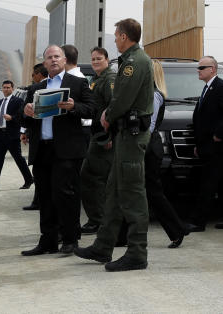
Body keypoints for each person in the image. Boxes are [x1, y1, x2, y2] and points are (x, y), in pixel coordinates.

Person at [74, 18, 153, 272]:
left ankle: (137, 253)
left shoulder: (135, 62)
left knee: (133, 196)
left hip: (131, 137)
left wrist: (108, 115)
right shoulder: (129, 60)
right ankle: (102, 246)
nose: (115, 38)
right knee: (114, 194)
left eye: (117, 34)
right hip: (124, 137)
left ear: (124, 36)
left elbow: (123, 99)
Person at [20, 45, 94, 257]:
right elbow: (23, 119)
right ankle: (48, 241)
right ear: (44, 63)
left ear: (64, 60)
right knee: (45, 196)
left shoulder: (78, 83)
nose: (53, 60)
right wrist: (26, 112)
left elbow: (91, 109)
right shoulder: (35, 88)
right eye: (49, 57)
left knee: (66, 195)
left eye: (57, 57)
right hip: (42, 148)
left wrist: (73, 107)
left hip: (67, 150)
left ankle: (70, 240)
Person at [187, 55, 223, 231]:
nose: (198, 71)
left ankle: (198, 222)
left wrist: (219, 134)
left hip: (218, 146)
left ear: (212, 69)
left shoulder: (221, 87)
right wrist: (199, 143)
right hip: (208, 145)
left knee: (208, 183)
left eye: (201, 68)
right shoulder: (208, 88)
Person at [143, 60, 191, 248]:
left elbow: (149, 126)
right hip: (150, 146)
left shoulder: (154, 95)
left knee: (153, 193)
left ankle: (176, 229)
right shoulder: (152, 93)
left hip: (149, 147)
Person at [79, 46, 116, 235]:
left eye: (99, 59)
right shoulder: (97, 79)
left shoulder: (109, 79)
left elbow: (113, 108)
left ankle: (98, 220)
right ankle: (98, 219)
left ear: (107, 60)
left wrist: (109, 136)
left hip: (104, 137)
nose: (95, 62)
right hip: (96, 134)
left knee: (92, 178)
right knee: (92, 178)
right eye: (93, 59)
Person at [0, 80, 34, 192]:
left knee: (19, 159)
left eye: (8, 87)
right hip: (0, 135)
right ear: (2, 89)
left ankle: (29, 179)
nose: (6, 89)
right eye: (4, 87)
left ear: (12, 89)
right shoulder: (0, 102)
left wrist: (12, 118)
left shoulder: (18, 101)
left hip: (12, 135)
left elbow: (21, 116)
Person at [21, 63, 49, 211]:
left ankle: (38, 201)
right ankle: (37, 200)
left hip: (43, 139)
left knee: (40, 172)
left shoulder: (37, 89)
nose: (32, 78)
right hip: (36, 134)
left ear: (40, 74)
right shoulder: (34, 89)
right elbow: (26, 115)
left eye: (33, 75)